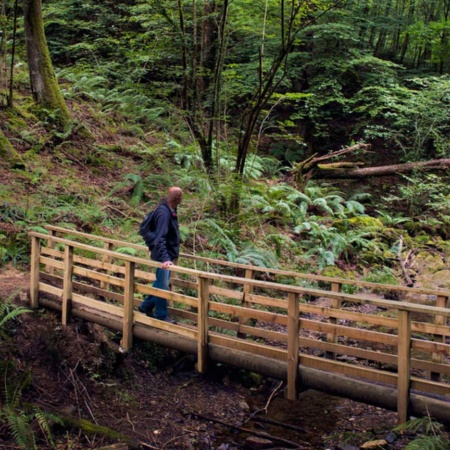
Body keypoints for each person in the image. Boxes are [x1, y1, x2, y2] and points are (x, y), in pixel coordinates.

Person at [139, 186, 183, 323]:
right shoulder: (164, 213)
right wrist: (165, 258)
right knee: (163, 285)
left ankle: (145, 306)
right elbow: (161, 237)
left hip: (167, 254)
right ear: (178, 198)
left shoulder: (171, 209)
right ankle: (161, 315)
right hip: (163, 256)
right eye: (181, 196)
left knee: (160, 283)